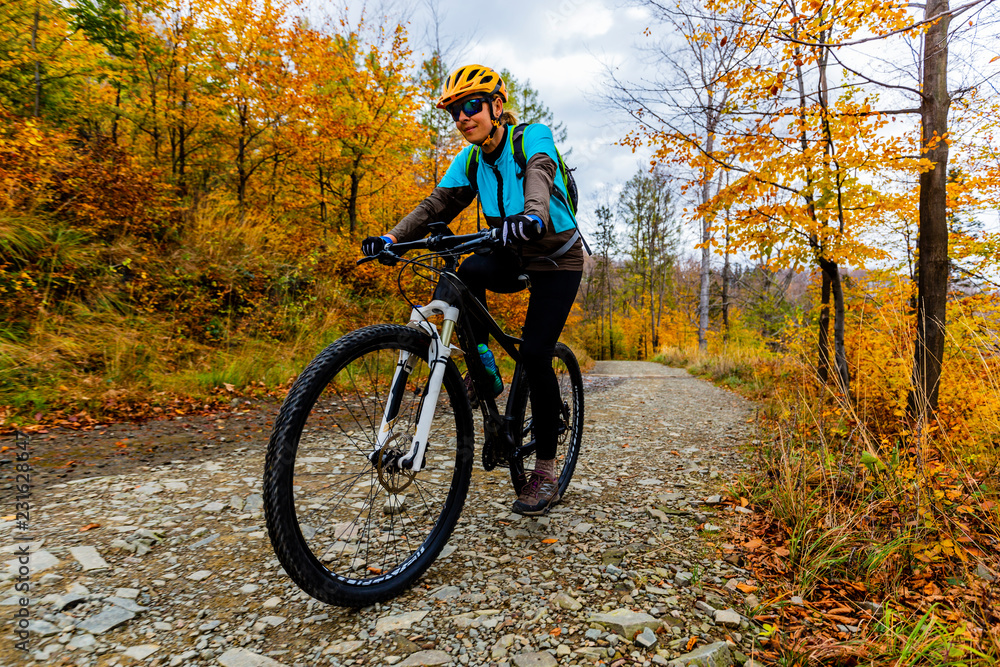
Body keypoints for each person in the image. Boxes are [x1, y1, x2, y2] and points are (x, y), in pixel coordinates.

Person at [361, 64, 584, 516]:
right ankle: (484, 369)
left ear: (496, 107)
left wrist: (533, 214)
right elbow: (437, 204)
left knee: (537, 353)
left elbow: (540, 173)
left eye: (471, 106)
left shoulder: (531, 137)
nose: (463, 117)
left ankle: (545, 468)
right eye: (455, 113)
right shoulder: (469, 159)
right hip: (513, 251)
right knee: (463, 275)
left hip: (558, 256)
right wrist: (390, 239)